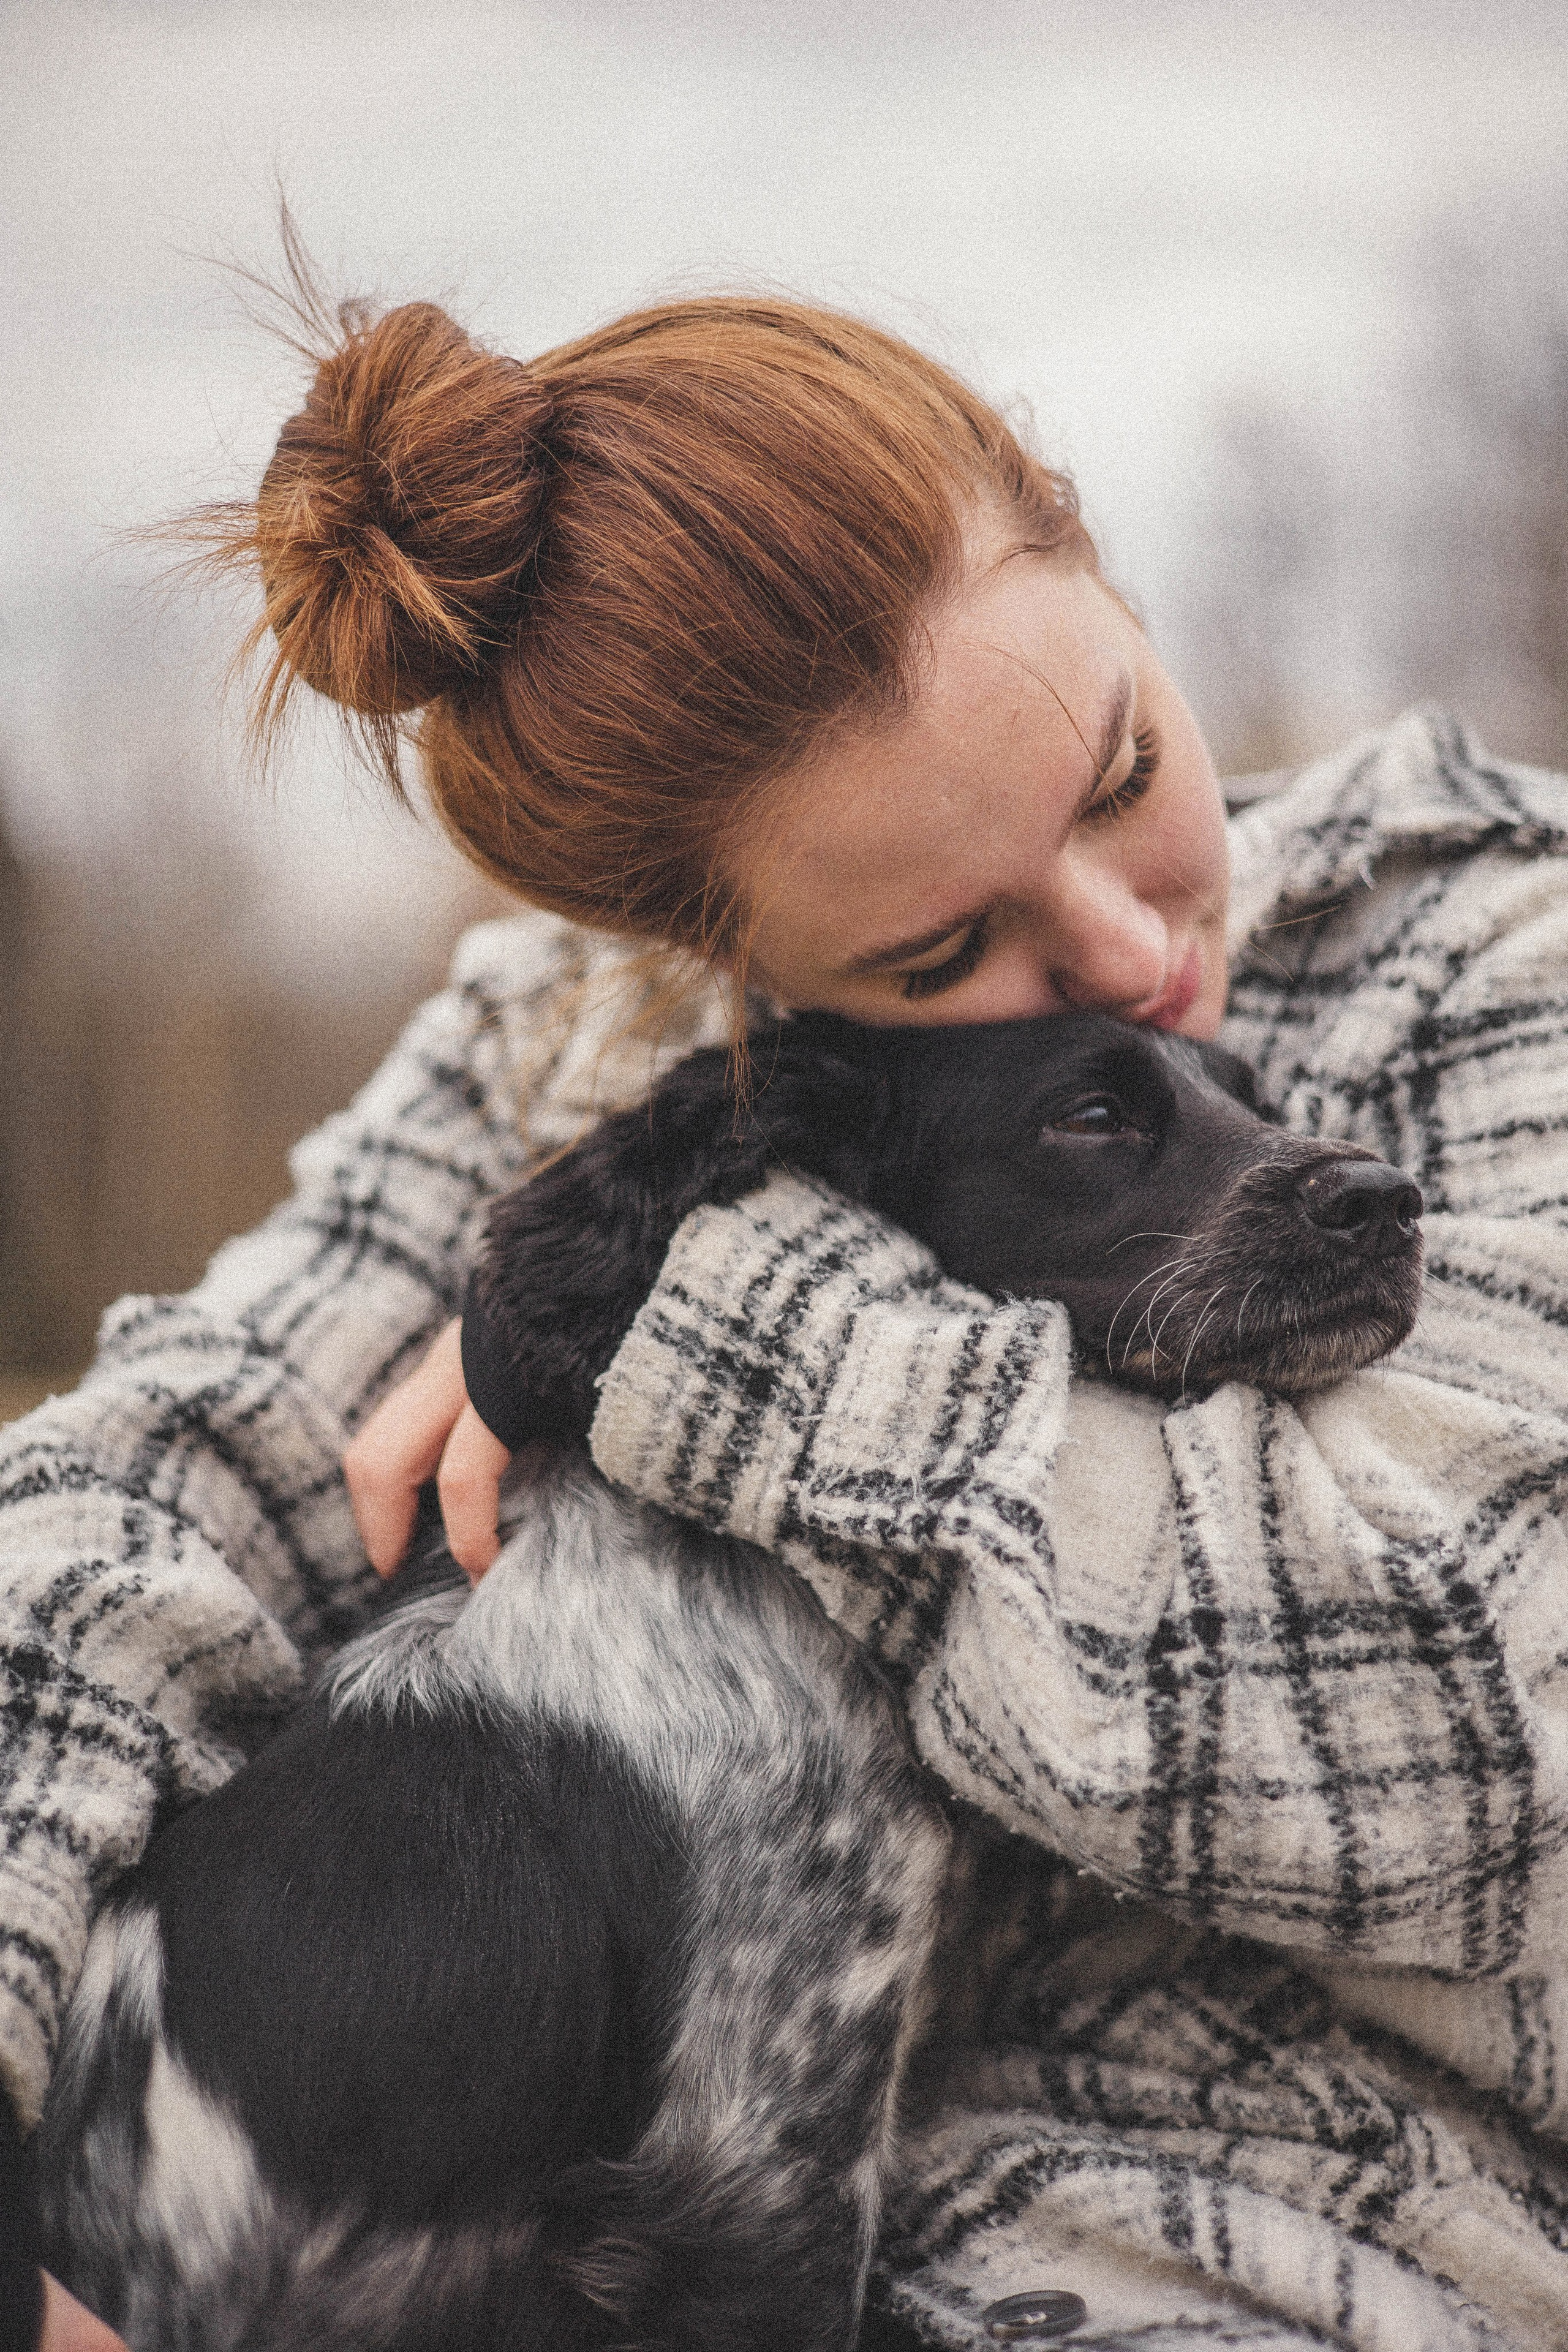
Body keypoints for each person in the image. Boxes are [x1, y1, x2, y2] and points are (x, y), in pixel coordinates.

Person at [5, 281, 1568, 2352]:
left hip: (1270, 2272)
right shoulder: (592, 1040)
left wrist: (679, 1307)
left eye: (1119, 771)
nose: (1129, 959)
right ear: (709, 957)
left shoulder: (1491, 938)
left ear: (1088, 542)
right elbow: (146, 1479)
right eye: (939, 954)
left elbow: (1487, 1702)